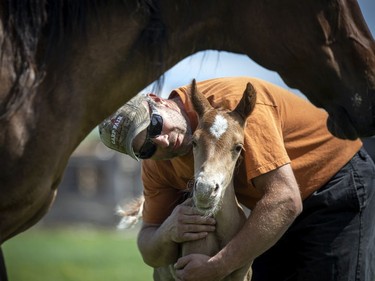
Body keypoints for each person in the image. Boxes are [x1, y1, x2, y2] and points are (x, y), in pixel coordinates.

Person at [99, 77, 375, 281]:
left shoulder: (232, 110)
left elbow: (285, 200)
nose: (162, 140)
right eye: (145, 147)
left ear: (157, 101)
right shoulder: (159, 163)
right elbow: (149, 248)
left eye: (155, 125)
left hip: (335, 183)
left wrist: (219, 265)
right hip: (269, 211)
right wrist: (168, 230)